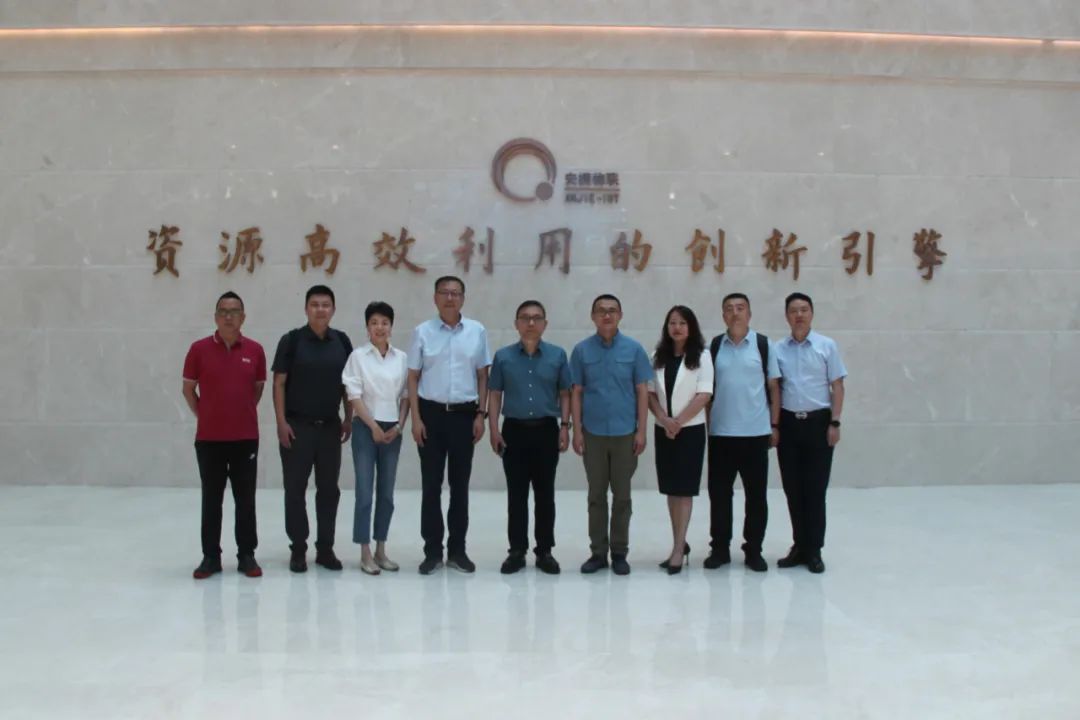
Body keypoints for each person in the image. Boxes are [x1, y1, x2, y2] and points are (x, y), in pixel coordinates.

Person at [408, 276, 491, 575]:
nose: (450, 298)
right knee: (431, 486)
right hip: (430, 416)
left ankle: (458, 550)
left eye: (456, 293)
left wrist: (481, 415)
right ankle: (432, 552)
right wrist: (416, 419)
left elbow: (483, 375)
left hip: (464, 416)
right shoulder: (422, 332)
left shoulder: (477, 331)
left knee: (460, 486)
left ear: (463, 298)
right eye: (444, 292)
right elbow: (413, 377)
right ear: (435, 298)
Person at [183, 291, 267, 579]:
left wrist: (240, 412)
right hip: (209, 440)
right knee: (211, 499)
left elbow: (257, 389)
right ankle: (210, 557)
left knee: (246, 500)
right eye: (223, 311)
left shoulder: (255, 350)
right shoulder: (198, 349)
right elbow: (188, 389)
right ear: (215, 317)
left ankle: (247, 555)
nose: (229, 316)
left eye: (234, 311)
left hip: (245, 438)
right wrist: (205, 414)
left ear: (243, 317)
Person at [272, 285, 354, 573]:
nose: (320, 309)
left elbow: (349, 385)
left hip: (330, 427)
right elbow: (279, 383)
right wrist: (281, 422)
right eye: (315, 304)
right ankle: (298, 549)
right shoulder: (292, 341)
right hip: (297, 427)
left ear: (333, 309)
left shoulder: (342, 341)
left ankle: (325, 549)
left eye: (326, 304)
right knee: (295, 490)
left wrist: (348, 417)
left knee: (329, 490)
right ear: (306, 309)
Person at [570, 294, 653, 576]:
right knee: (596, 495)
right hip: (592, 433)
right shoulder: (581, 351)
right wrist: (576, 430)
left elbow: (642, 391)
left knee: (622, 496)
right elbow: (576, 392)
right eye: (601, 311)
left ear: (620, 315)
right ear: (593, 316)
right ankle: (597, 552)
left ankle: (619, 552)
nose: (607, 315)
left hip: (625, 433)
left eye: (612, 311)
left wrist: (642, 430)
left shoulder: (634, 350)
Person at [488, 300, 571, 575]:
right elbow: (495, 394)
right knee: (517, 495)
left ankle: (544, 551)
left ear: (545, 324)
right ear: (516, 324)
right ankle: (517, 550)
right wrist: (494, 429)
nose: (531, 323)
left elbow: (565, 393)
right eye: (525, 318)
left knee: (545, 494)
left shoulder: (558, 355)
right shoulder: (503, 357)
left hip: (547, 430)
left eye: (536, 318)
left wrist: (565, 426)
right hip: (514, 431)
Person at [704, 293, 780, 573]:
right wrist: (709, 428)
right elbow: (707, 392)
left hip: (756, 434)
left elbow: (774, 388)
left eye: (740, 308)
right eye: (729, 309)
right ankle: (720, 548)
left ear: (749, 313)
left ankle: (754, 550)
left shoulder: (763, 345)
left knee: (756, 497)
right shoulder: (714, 347)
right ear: (723, 315)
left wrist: (774, 425)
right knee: (719, 496)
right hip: (721, 436)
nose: (735, 313)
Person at [774, 292, 847, 574]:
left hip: (819, 424)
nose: (799, 315)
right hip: (789, 425)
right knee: (793, 489)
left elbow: (837, 387)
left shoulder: (826, 346)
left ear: (812, 313)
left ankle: (814, 549)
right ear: (786, 316)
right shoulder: (778, 349)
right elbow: (775, 389)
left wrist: (835, 423)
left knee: (815, 489)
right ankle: (799, 546)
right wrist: (775, 425)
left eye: (804, 310)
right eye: (794, 311)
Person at [341, 301, 410, 576]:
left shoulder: (401, 358)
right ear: (367, 327)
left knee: (387, 493)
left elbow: (406, 396)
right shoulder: (358, 357)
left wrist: (400, 426)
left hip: (393, 429)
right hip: (364, 428)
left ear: (391, 326)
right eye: (374, 323)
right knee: (364, 492)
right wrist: (372, 426)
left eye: (384, 322)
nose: (379, 327)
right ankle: (365, 552)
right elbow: (354, 396)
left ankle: (381, 549)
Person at [647, 306, 713, 575]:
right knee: (671, 489)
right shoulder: (657, 356)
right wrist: (665, 420)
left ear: (691, 327)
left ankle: (677, 549)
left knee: (684, 489)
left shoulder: (703, 356)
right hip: (664, 431)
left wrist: (678, 422)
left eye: (682, 323)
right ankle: (679, 542)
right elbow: (650, 393)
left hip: (690, 431)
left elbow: (704, 394)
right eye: (672, 323)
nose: (677, 328)